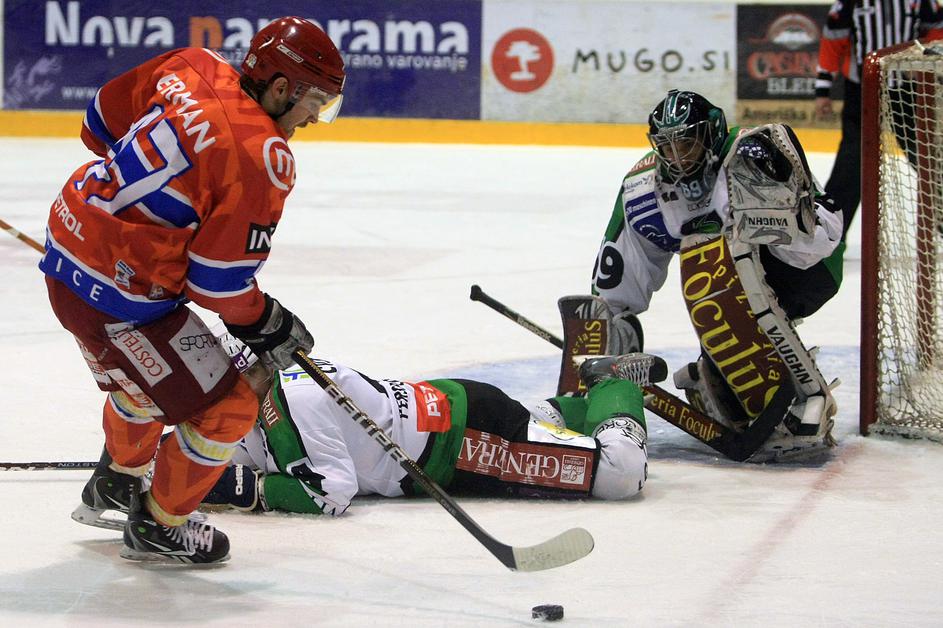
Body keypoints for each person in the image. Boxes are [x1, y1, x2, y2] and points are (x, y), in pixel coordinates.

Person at [44, 17, 345, 564]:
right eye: (315, 103)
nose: (313, 119)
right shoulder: (265, 157)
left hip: (67, 251)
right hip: (121, 297)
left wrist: (136, 213)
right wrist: (266, 321)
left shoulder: (192, 64)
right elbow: (217, 280)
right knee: (228, 410)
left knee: (143, 382)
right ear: (281, 87)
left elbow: (98, 122)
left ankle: (116, 483)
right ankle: (161, 525)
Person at [588, 89, 844, 462]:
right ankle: (723, 371)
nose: (677, 157)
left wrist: (764, 220)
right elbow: (619, 277)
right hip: (733, 280)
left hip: (808, 268)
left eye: (686, 143)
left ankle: (808, 391)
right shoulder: (644, 189)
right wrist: (606, 338)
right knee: (731, 400)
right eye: (667, 147)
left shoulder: (751, 154)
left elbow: (822, 238)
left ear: (711, 134)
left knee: (708, 254)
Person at [199, 329, 666, 515]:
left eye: (231, 382)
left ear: (258, 371)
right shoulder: (273, 392)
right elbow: (233, 454)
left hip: (466, 443)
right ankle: (576, 410)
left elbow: (330, 494)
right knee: (532, 431)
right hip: (452, 413)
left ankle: (610, 382)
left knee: (620, 474)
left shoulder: (294, 398)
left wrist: (252, 490)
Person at [815, 0, 943, 235]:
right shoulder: (851, 2)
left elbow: (937, 29)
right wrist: (823, 88)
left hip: (907, 91)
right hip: (862, 92)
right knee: (851, 163)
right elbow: (833, 38)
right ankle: (829, 235)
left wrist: (924, 61)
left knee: (929, 158)